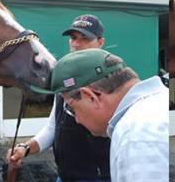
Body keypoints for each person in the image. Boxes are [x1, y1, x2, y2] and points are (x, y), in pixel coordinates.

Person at [30, 49, 169, 181]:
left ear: (91, 96)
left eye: (72, 109)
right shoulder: (155, 105)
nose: (77, 120)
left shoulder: (136, 138)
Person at [6, 14, 111, 181]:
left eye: (85, 38)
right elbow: (52, 128)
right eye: (73, 38)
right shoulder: (64, 80)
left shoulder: (111, 81)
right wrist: (25, 148)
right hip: (63, 176)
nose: (76, 44)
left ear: (100, 42)